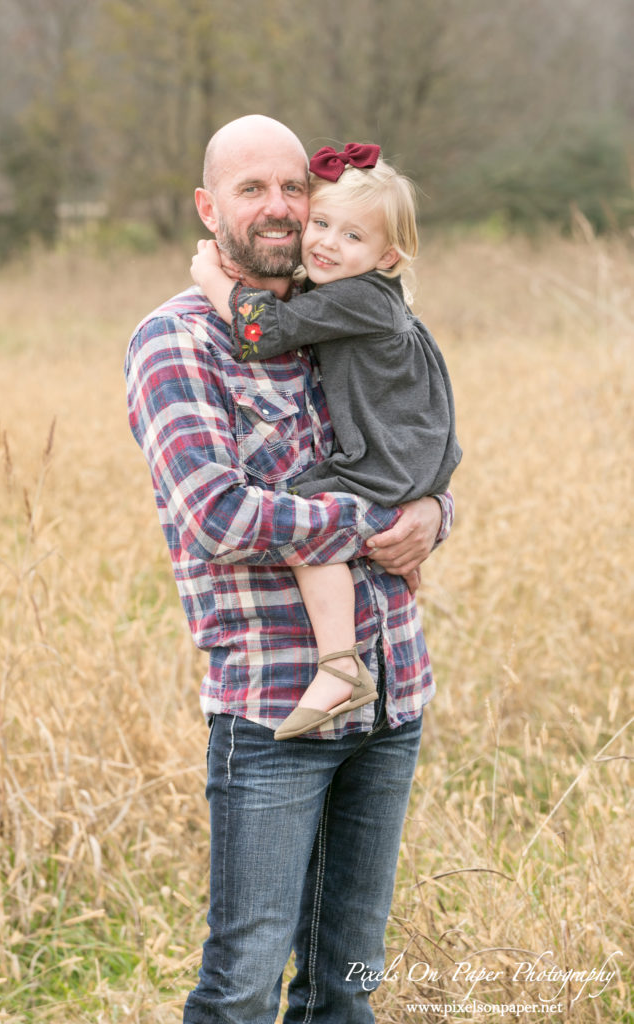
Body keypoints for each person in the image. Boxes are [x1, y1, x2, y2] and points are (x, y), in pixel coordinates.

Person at [125, 114, 454, 1024]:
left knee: (349, 985)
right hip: (274, 710)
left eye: (291, 187)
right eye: (249, 189)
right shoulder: (179, 342)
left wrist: (433, 512)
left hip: (392, 695)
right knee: (241, 987)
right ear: (206, 206)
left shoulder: (345, 311)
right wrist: (375, 520)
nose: (278, 208)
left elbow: (416, 446)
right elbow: (220, 516)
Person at [190, 143, 461, 741]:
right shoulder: (351, 293)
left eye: (352, 237)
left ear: (388, 256)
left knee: (305, 506)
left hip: (391, 456)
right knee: (319, 508)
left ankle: (340, 665)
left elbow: (262, 330)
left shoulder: (359, 297)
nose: (327, 244)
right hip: (406, 452)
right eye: (320, 224)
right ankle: (351, 642)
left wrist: (210, 275)